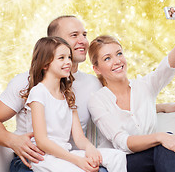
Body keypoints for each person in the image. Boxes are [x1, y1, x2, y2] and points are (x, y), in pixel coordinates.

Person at [0, 15, 175, 172]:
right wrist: (12, 140)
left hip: (71, 158)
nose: (83, 41)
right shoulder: (28, 83)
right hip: (35, 160)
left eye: (84, 34)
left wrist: (159, 107)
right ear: (54, 42)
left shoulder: (91, 84)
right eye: (74, 35)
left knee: (129, 158)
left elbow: (114, 105)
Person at [88, 13, 175, 172]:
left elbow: (167, 68)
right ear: (97, 69)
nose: (117, 61)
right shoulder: (97, 100)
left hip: (156, 157)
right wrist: (160, 137)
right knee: (165, 143)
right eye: (107, 58)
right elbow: (122, 142)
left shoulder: (144, 87)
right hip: (124, 163)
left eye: (119, 53)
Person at [22, 36, 126, 172]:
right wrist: (78, 161)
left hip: (65, 153)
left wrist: (90, 149)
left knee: (117, 156)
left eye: (69, 57)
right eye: (61, 58)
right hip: (44, 157)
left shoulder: (67, 95)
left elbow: (79, 137)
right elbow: (42, 141)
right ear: (45, 64)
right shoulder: (38, 93)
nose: (68, 62)